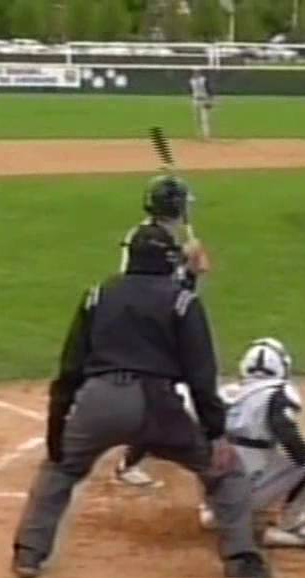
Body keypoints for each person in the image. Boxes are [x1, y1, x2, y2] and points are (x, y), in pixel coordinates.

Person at [10, 175, 271, 578]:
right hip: (156, 406)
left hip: (96, 403)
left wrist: (58, 428)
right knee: (224, 473)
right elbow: (200, 374)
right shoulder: (183, 300)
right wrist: (216, 433)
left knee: (60, 470)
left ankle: (28, 554)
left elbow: (69, 369)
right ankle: (241, 560)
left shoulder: (98, 295)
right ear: (171, 261)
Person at [196, 338, 305, 549]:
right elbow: (286, 433)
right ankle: (291, 528)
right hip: (246, 492)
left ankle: (213, 513)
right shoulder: (279, 391)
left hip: (217, 492)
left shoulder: (224, 393)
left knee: (218, 448)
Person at [112, 176, 213, 491]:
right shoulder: (149, 239)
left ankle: (134, 453)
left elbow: (178, 292)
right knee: (160, 391)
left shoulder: (156, 235)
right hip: (146, 325)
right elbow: (164, 291)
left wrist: (191, 268)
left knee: (160, 390)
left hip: (157, 322)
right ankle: (130, 459)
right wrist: (188, 262)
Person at [189, 68, 214, 141]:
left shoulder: (204, 80)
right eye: (194, 72)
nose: (195, 73)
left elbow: (209, 90)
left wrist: (210, 100)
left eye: (197, 72)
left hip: (204, 100)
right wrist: (192, 97)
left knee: (205, 119)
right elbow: (191, 91)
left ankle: (206, 135)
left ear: (200, 73)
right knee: (197, 119)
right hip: (195, 100)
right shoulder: (191, 81)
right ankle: (198, 135)